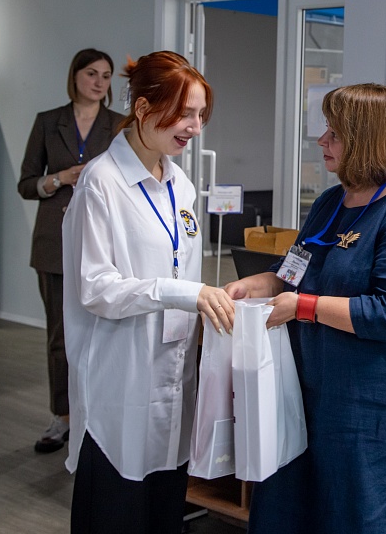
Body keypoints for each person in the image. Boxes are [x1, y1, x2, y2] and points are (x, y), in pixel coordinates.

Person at [225, 83, 386, 533]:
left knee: (375, 516)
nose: (322, 141)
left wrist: (303, 306)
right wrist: (253, 286)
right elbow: (294, 269)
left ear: (366, 139)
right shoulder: (331, 202)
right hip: (321, 393)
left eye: (334, 133)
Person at [61, 50, 235, 534]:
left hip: (173, 374)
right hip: (121, 374)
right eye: (185, 114)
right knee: (115, 508)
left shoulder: (181, 185)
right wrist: (182, 293)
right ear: (142, 109)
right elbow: (96, 288)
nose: (195, 127)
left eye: (201, 115)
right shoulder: (101, 184)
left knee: (163, 506)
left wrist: (208, 300)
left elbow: (181, 263)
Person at [17, 48, 124, 453]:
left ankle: (98, 417)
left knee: (106, 334)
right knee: (60, 338)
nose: (99, 82)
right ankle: (61, 417)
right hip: (54, 244)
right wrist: (59, 178)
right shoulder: (48, 122)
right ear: (75, 76)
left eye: (106, 75)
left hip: (103, 242)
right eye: (92, 73)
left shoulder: (119, 125)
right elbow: (26, 184)